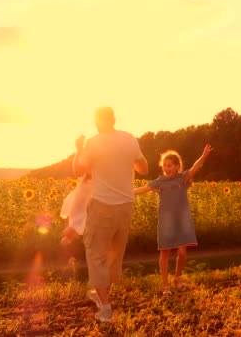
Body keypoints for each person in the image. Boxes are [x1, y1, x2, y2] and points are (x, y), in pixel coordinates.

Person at [73, 106, 149, 322]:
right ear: (114, 119)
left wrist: (78, 148)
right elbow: (143, 168)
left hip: (102, 205)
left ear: (97, 121)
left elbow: (79, 170)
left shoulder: (93, 143)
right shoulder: (129, 138)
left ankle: (105, 308)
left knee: (96, 253)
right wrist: (125, 161)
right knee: (114, 253)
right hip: (126, 205)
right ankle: (100, 293)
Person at [133, 144, 213, 295]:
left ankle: (177, 278)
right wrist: (127, 193)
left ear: (177, 166)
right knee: (165, 252)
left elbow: (195, 168)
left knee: (182, 252)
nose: (166, 168)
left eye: (169, 165)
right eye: (164, 166)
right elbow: (144, 189)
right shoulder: (160, 181)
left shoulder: (183, 179)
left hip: (182, 219)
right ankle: (165, 285)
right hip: (166, 220)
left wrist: (204, 156)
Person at [60, 173, 92, 246]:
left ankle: (86, 176)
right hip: (84, 195)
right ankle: (87, 175)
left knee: (83, 189)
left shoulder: (78, 228)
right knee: (83, 189)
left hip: (85, 194)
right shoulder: (78, 228)